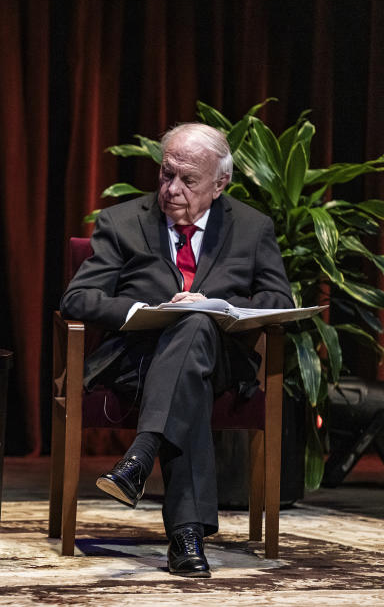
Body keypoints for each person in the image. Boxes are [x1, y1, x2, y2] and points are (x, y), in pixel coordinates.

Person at [61, 122, 293, 577]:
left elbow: (279, 302)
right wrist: (145, 310)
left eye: (188, 181)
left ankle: (140, 458)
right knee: (189, 346)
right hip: (137, 360)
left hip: (222, 360)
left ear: (220, 183)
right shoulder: (122, 222)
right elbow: (78, 298)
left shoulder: (252, 228)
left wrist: (218, 306)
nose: (172, 189)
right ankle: (186, 537)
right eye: (166, 174)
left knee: (197, 325)